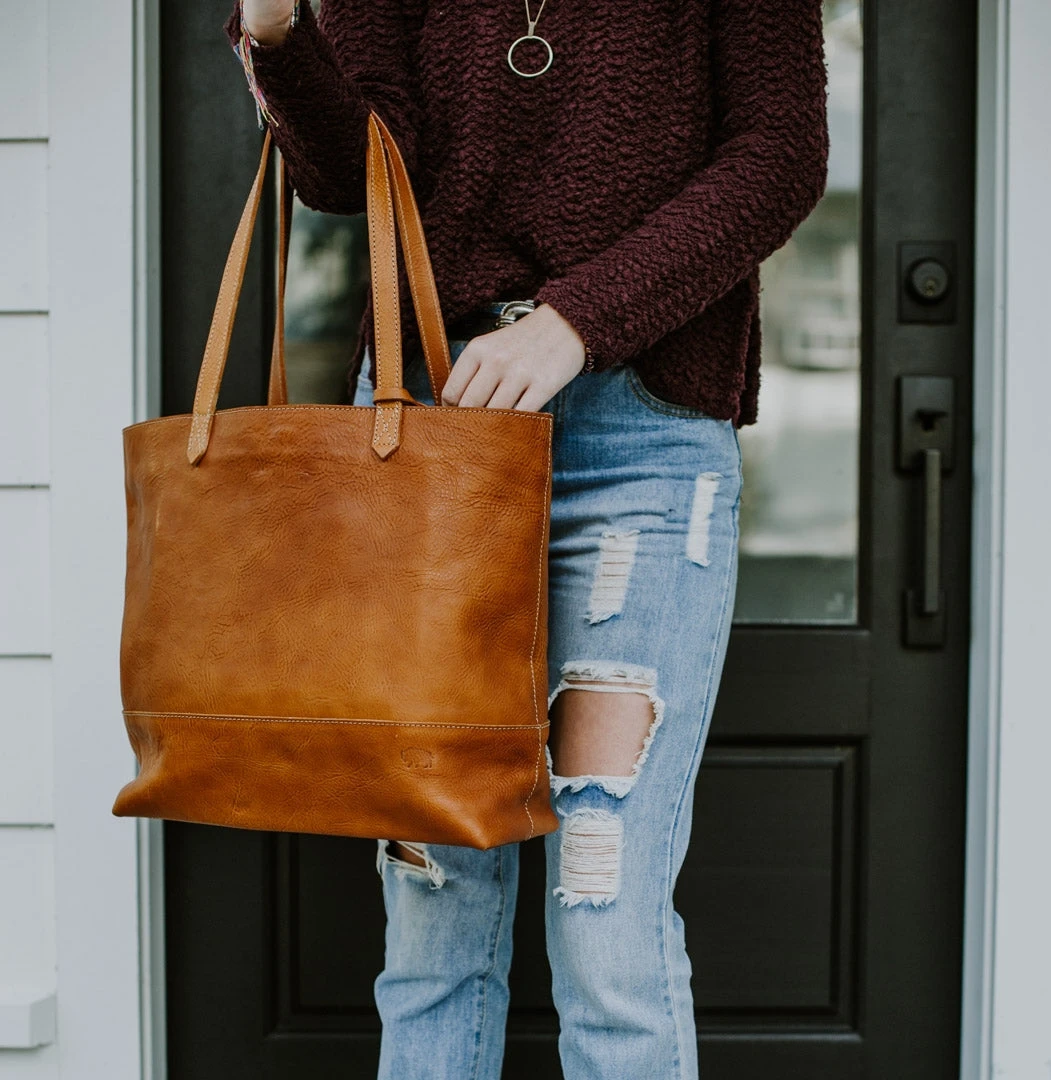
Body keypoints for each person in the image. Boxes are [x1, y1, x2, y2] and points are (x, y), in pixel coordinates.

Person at [225, 2, 829, 1077]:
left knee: (609, 922)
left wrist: (581, 317)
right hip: (429, 436)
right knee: (432, 915)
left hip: (638, 444)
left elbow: (779, 155)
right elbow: (349, 173)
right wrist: (277, 37)